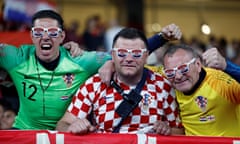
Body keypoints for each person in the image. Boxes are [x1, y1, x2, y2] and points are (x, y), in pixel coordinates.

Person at [56, 28, 184, 135]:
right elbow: (62, 124)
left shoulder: (163, 86)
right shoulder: (93, 85)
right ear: (112, 55)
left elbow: (179, 131)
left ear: (146, 56)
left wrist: (167, 130)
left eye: (136, 54)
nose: (129, 59)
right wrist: (72, 127)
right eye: (122, 53)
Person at [0, 10, 111, 130]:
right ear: (31, 36)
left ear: (62, 36)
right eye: (38, 32)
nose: (45, 37)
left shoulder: (79, 60)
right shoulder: (17, 57)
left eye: (53, 33)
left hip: (66, 134)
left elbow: (121, 56)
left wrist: (110, 63)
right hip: (24, 132)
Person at [162, 44, 240, 136]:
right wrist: (161, 37)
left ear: (198, 65)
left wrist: (227, 65)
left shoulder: (220, 82)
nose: (178, 76)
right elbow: (141, 60)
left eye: (183, 69)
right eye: (170, 72)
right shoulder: (166, 79)